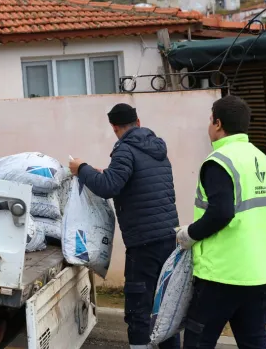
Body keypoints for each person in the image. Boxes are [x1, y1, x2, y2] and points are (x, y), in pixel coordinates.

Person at [69, 103, 180, 349]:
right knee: (165, 306)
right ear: (138, 122)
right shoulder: (157, 149)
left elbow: (109, 186)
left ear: (115, 127)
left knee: (138, 310)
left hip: (144, 244)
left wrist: (82, 169)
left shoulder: (125, 150)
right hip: (169, 239)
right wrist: (104, 173)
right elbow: (130, 180)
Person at [176, 95, 266, 348]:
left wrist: (188, 235)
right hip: (259, 273)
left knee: (197, 342)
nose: (209, 126)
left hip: (221, 276)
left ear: (219, 124)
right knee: (254, 342)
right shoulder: (265, 162)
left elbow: (221, 213)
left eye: (210, 120)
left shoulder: (219, 162)